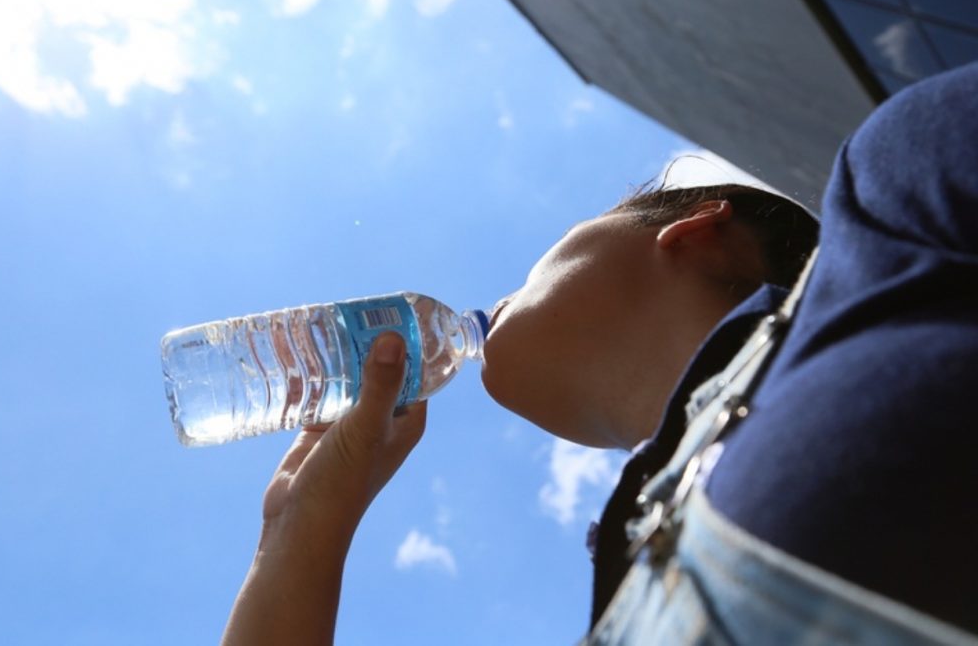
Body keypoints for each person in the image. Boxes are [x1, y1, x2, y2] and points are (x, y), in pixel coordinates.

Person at [221, 62, 978, 645]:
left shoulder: (883, 238)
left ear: (692, 230)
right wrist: (299, 533)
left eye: (526, 274)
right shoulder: (617, 606)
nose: (504, 295)